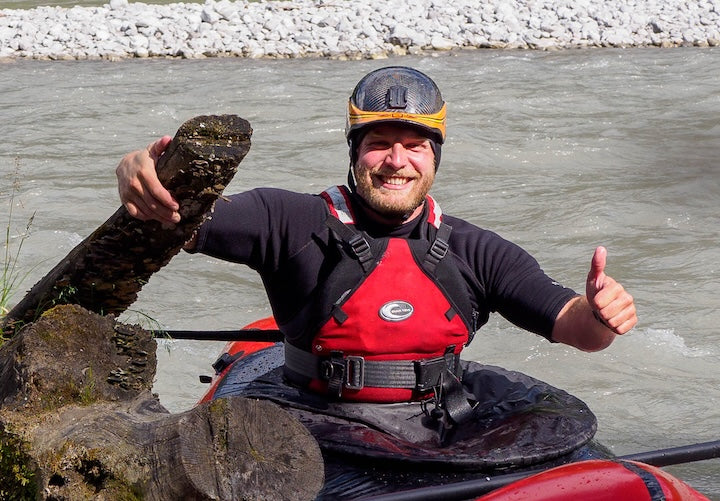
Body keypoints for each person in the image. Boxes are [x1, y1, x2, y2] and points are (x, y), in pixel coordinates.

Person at [116, 66, 636, 461]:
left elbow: (578, 329)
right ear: (354, 153)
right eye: (378, 144)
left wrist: (601, 315)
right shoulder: (288, 220)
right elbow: (175, 213)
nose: (396, 160)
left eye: (414, 146)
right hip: (315, 419)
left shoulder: (477, 250)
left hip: (439, 421)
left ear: (434, 159)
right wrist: (136, 167)